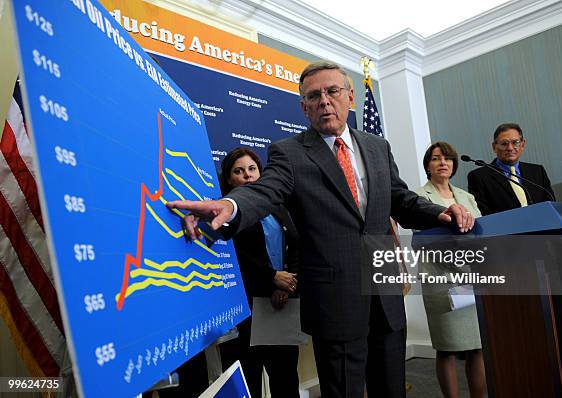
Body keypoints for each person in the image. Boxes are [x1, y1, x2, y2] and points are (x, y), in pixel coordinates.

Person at [167, 61, 474, 398]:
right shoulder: (290, 153)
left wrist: (441, 213)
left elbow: (399, 199)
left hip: (385, 299)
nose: (325, 101)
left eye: (333, 91)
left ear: (350, 96)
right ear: (304, 107)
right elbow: (266, 190)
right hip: (335, 303)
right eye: (314, 96)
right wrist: (232, 206)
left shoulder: (377, 147)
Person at [201, 147, 300, 398]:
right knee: (249, 379)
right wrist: (270, 279)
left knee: (285, 377)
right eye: (239, 171)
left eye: (252, 169)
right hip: (246, 309)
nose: (247, 175)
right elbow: (232, 257)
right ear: (229, 179)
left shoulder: (279, 207)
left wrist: (284, 285)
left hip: (281, 304)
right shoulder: (226, 214)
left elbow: (297, 245)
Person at [414, 142, 486, 398]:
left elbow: (482, 234)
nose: (442, 162)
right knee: (447, 348)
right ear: (428, 166)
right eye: (435, 159)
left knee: (477, 346)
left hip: (472, 278)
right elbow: (422, 240)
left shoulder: (467, 197)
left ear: (454, 164)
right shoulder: (419, 198)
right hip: (442, 280)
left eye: (447, 158)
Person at [467, 123, 555, 215]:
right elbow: (483, 213)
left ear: (522, 144)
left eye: (515, 142)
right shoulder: (479, 177)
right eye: (504, 143)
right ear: (494, 147)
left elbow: (551, 205)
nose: (510, 148)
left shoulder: (537, 171)